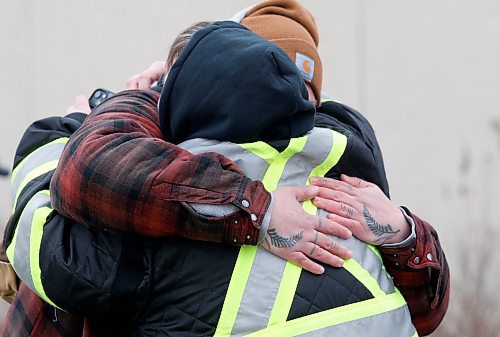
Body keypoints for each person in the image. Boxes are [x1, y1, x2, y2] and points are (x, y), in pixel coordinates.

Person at [1, 2, 449, 336]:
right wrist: (405, 234)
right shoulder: (346, 183)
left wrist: (122, 107)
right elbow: (422, 312)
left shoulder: (155, 209)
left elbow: (50, 236)